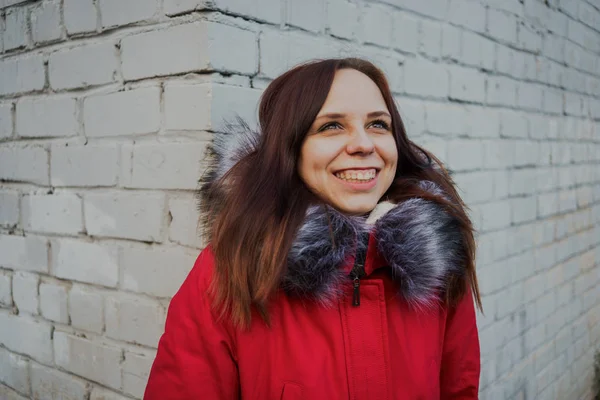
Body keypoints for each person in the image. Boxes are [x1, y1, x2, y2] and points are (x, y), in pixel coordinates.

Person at [144, 57, 482, 399]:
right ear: (291, 150)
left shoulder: (438, 264)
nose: (364, 144)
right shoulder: (228, 270)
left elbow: (460, 390)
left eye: (379, 124)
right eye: (332, 126)